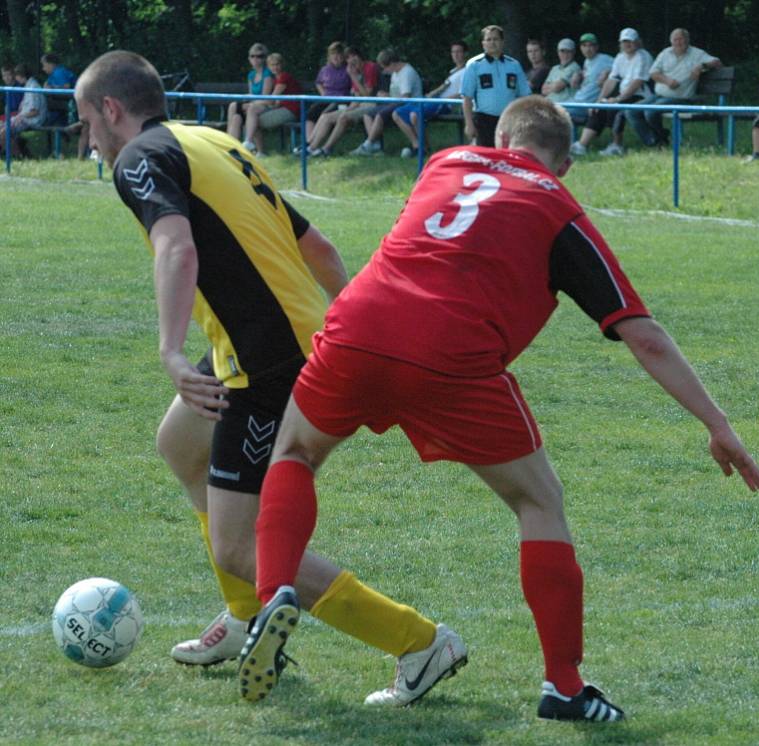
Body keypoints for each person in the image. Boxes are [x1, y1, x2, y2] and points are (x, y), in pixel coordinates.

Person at [242, 95, 759, 719]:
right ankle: (565, 686)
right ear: (565, 163)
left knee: (297, 451)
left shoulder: (443, 161)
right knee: (538, 500)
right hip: (451, 354)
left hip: (358, 323)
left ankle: (275, 588)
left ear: (496, 135)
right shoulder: (557, 207)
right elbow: (643, 334)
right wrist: (718, 424)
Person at [74, 49, 468, 705]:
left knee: (240, 547)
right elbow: (318, 247)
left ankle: (420, 642)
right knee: (180, 444)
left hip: (266, 363)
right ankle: (245, 619)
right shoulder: (214, 143)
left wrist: (171, 353)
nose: (89, 139)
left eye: (87, 123)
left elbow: (176, 246)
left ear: (112, 111)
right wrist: (352, 328)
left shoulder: (139, 161)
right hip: (268, 344)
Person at [627, 28, 720, 147]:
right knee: (631, 111)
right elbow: (653, 73)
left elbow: (717, 62)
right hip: (659, 96)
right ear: (671, 41)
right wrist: (666, 80)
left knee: (650, 111)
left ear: (687, 40)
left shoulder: (697, 54)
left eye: (681, 39)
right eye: (675, 40)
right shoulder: (665, 53)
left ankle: (659, 142)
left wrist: (702, 66)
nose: (678, 42)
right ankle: (655, 140)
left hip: (682, 99)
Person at [570, 28, 651, 156]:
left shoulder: (643, 56)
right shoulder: (620, 57)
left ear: (637, 42)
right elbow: (612, 79)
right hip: (624, 94)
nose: (627, 44)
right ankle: (581, 145)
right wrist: (598, 101)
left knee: (615, 108)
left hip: (641, 95)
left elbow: (637, 83)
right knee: (599, 107)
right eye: (624, 42)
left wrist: (618, 99)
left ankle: (617, 145)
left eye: (630, 41)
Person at [392, 41, 467, 159]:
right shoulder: (453, 71)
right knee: (397, 113)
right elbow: (444, 86)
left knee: (415, 115)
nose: (456, 55)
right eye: (453, 52)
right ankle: (417, 145)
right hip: (436, 99)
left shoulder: (467, 71)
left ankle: (423, 149)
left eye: (459, 52)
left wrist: (444, 100)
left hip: (445, 104)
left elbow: (463, 93)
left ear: (464, 54)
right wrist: (431, 94)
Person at [461, 25, 530, 146]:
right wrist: (469, 124)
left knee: (507, 157)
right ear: (483, 43)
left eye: (496, 39)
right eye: (488, 39)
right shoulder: (474, 65)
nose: (492, 42)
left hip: (508, 120)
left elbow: (524, 96)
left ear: (502, 42)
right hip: (483, 120)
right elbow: (467, 98)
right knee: (485, 158)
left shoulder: (514, 65)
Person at [306, 47, 380, 157]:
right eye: (348, 58)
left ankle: (326, 149)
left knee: (343, 118)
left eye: (353, 56)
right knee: (326, 116)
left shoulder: (369, 67)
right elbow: (357, 98)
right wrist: (348, 109)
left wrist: (352, 76)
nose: (351, 60)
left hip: (372, 104)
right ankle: (311, 148)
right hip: (357, 105)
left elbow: (367, 95)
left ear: (359, 56)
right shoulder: (355, 70)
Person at [350, 48, 423, 156]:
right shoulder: (395, 72)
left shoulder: (406, 73)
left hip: (409, 104)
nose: (385, 71)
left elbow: (405, 97)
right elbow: (395, 94)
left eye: (385, 67)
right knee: (367, 114)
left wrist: (388, 97)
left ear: (392, 63)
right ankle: (375, 146)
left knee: (381, 114)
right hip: (394, 102)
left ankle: (367, 145)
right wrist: (385, 95)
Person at [241, 53, 302, 155]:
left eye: (277, 64)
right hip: (282, 108)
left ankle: (253, 145)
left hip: (292, 110)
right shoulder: (276, 79)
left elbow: (272, 100)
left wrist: (254, 103)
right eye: (272, 65)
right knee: (252, 113)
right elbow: (275, 103)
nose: (275, 67)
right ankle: (252, 145)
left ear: (282, 65)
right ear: (268, 66)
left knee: (252, 121)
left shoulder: (284, 77)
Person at [299, 41, 351, 148]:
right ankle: (309, 142)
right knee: (310, 114)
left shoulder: (348, 69)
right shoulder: (325, 69)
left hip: (341, 100)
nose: (336, 57)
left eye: (338, 54)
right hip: (326, 99)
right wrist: (323, 93)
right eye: (333, 54)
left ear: (343, 56)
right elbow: (318, 82)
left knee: (324, 114)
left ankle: (310, 145)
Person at [226, 43, 274, 145]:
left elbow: (265, 97)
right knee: (234, 110)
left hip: (266, 105)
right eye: (252, 56)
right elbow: (252, 94)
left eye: (259, 56)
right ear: (249, 58)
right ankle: (229, 143)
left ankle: (249, 142)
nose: (255, 59)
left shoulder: (267, 74)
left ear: (265, 58)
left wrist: (250, 103)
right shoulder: (251, 75)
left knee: (250, 108)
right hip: (255, 104)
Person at [561, 33, 613, 126]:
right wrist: (578, 74)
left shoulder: (604, 59)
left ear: (597, 47)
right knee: (552, 109)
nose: (587, 49)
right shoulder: (586, 61)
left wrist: (608, 72)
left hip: (588, 105)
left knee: (556, 113)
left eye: (591, 45)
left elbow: (622, 66)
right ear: (580, 48)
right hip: (577, 99)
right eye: (584, 46)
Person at [0, 64, 46, 156]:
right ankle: (19, 150)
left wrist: (20, 116)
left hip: (32, 120)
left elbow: (34, 112)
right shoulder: (28, 85)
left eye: (15, 76)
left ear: (21, 76)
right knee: (1, 127)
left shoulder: (32, 88)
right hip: (25, 117)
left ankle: (19, 154)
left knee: (4, 131)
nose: (15, 78)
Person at [541, 39, 580, 103]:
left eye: (568, 51)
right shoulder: (554, 68)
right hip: (551, 104)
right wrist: (555, 86)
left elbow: (557, 87)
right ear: (558, 52)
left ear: (574, 52)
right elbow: (543, 90)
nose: (565, 54)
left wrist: (551, 86)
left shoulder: (575, 67)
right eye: (562, 51)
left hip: (566, 105)